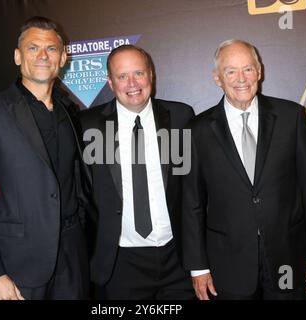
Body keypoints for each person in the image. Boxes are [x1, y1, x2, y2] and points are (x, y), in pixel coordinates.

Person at [182, 39, 306, 300]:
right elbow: (191, 204)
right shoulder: (194, 131)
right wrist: (198, 267)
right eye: (231, 71)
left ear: (260, 71)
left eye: (248, 69)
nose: (241, 78)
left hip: (288, 257)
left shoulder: (292, 117)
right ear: (217, 78)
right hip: (227, 265)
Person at [0, 16, 90, 300]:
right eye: (33, 48)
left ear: (63, 57)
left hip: (73, 257)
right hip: (18, 265)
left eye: (52, 49)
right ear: (18, 56)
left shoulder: (70, 112)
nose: (43, 55)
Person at [79, 45, 195, 299]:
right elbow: (65, 180)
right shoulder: (86, 125)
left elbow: (199, 186)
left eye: (139, 73)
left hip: (178, 259)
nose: (132, 83)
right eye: (122, 76)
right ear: (110, 82)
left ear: (151, 75)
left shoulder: (180, 116)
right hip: (119, 265)